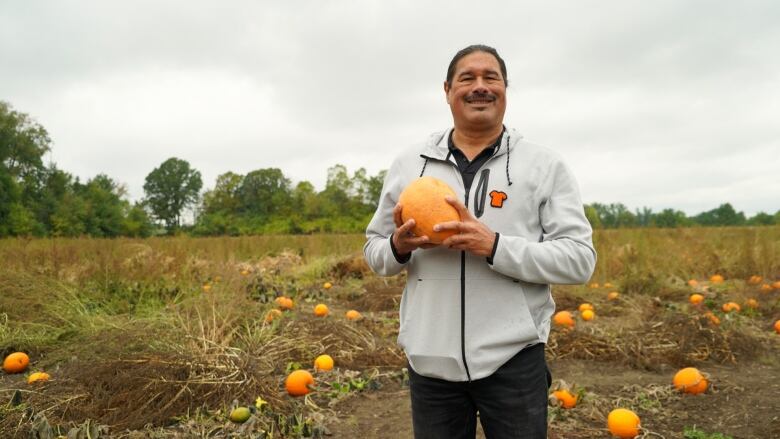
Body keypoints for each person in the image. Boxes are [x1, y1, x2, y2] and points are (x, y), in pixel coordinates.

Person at [363, 44, 596, 439]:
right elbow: (374, 252)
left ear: (506, 88)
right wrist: (400, 246)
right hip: (430, 362)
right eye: (467, 78)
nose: (480, 87)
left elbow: (579, 260)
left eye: (492, 78)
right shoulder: (409, 165)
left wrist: (494, 246)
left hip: (514, 360)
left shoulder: (543, 165)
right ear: (447, 90)